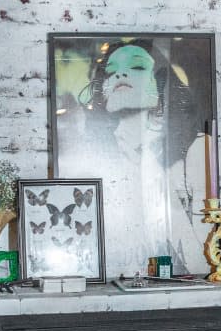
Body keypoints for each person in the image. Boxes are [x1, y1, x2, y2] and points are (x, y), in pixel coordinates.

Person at [55, 38, 210, 277]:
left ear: (161, 84)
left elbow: (202, 264)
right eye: (111, 72)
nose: (119, 75)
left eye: (137, 67)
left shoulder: (196, 150)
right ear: (102, 90)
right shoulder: (84, 161)